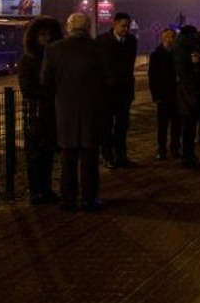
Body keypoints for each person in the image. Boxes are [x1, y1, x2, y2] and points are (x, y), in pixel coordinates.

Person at [40, 12, 109, 211]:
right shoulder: (99, 48)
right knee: (90, 158)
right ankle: (89, 198)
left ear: (68, 28)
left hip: (66, 113)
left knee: (68, 159)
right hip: (92, 112)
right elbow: (110, 78)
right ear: (88, 28)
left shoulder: (53, 49)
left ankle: (68, 199)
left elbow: (45, 80)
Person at [18, 16, 63, 204]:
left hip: (51, 113)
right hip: (35, 114)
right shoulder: (28, 60)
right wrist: (50, 91)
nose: (47, 38)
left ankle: (45, 189)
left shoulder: (53, 57)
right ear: (34, 37)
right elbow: (28, 89)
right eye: (42, 34)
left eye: (49, 34)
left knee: (48, 153)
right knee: (35, 154)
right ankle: (35, 191)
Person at [97, 12, 139, 168]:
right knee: (106, 126)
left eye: (127, 26)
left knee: (122, 126)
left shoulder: (131, 41)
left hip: (124, 91)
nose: (126, 29)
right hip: (107, 92)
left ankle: (122, 156)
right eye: (123, 26)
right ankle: (107, 156)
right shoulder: (102, 41)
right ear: (114, 24)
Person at [174, 25, 200, 167]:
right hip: (190, 94)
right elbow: (191, 73)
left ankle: (188, 156)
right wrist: (199, 63)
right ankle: (188, 158)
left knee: (188, 127)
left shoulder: (180, 47)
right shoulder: (186, 50)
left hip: (187, 93)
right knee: (189, 127)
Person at [148, 28, 180, 160]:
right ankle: (161, 150)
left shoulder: (176, 53)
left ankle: (175, 149)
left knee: (176, 125)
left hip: (176, 95)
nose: (169, 39)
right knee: (162, 125)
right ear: (163, 38)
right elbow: (152, 76)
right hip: (163, 95)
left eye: (171, 37)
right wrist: (155, 95)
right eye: (166, 37)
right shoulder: (156, 54)